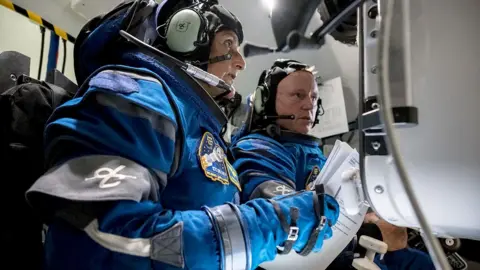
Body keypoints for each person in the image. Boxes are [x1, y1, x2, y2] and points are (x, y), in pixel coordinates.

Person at [25, 1, 340, 269]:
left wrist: (279, 205)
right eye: (229, 44)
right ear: (185, 36)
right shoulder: (134, 95)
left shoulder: (198, 125)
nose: (241, 62)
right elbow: (103, 241)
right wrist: (272, 224)